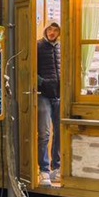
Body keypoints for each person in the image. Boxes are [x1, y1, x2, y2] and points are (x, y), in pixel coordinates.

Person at [36, 22, 62, 184]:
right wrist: (42, 82)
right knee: (45, 133)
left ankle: (56, 167)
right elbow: (31, 68)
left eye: (55, 29)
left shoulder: (61, 48)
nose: (52, 32)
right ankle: (44, 169)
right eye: (50, 29)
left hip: (59, 94)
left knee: (59, 132)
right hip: (43, 95)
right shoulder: (38, 46)